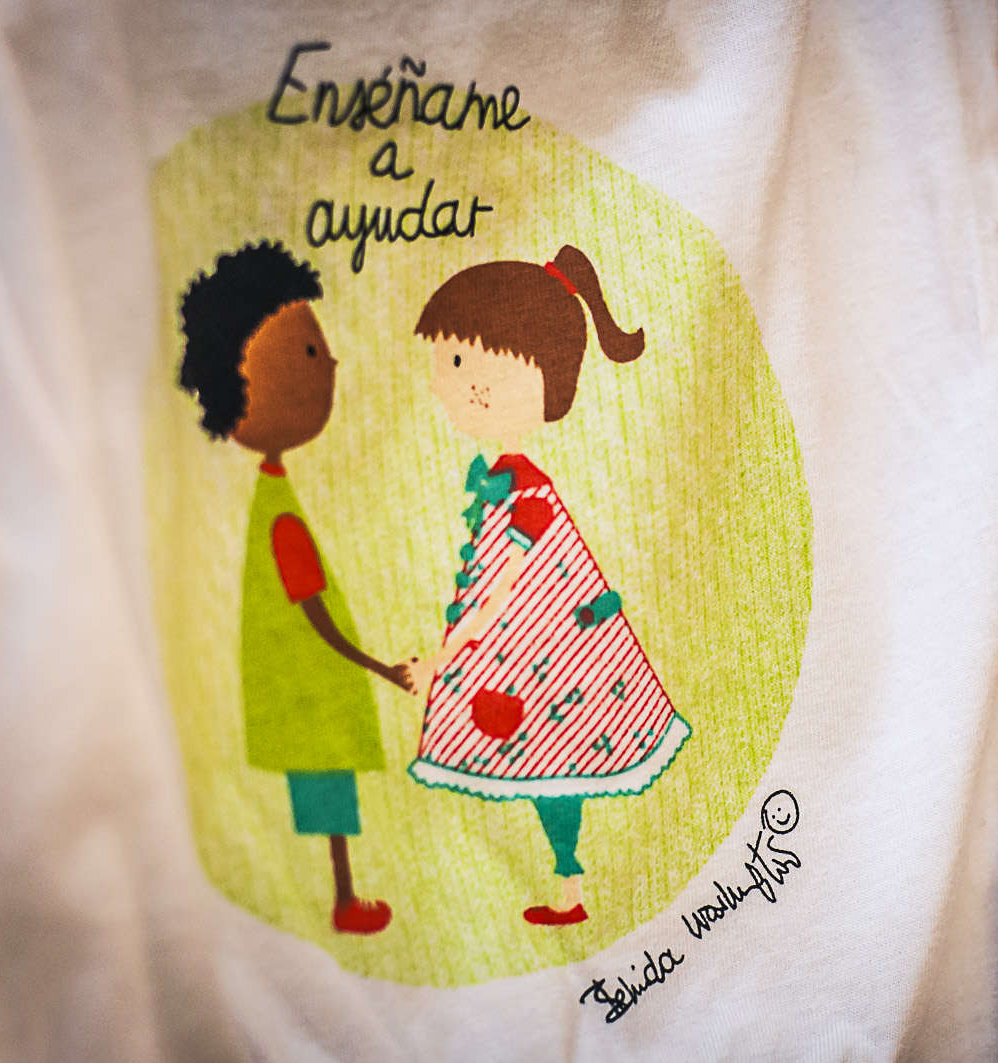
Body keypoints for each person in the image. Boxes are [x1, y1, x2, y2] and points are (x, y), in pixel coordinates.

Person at [406, 244, 691, 926]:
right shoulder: (507, 482)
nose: (449, 385)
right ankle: (570, 886)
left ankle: (572, 886)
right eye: (447, 363)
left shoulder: (524, 496)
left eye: (460, 363)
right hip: (534, 657)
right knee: (547, 770)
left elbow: (497, 595)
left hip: (544, 660)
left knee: (556, 767)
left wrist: (441, 658)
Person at [178, 241, 411, 934]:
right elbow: (313, 614)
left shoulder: (273, 500)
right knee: (330, 800)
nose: (329, 363)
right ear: (238, 388)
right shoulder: (279, 519)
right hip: (311, 693)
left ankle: (336, 898)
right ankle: (342, 900)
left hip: (297, 693)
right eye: (309, 352)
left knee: (324, 797)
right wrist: (376, 667)